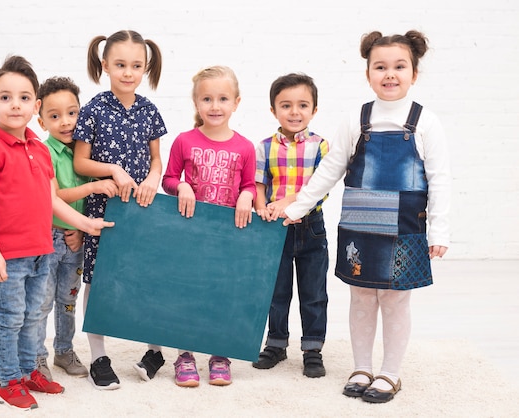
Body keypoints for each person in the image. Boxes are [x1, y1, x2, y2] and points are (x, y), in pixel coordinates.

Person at [274, 30, 451, 403]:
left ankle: (389, 372)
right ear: (368, 73)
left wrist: (440, 229)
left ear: (414, 74)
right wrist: (297, 207)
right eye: (380, 66)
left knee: (395, 300)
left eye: (399, 66)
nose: (390, 74)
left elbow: (439, 179)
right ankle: (362, 366)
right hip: (361, 224)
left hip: (405, 228)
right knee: (361, 297)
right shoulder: (357, 119)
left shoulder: (425, 122)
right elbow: (329, 169)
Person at [0, 56, 114, 410]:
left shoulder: (39, 150)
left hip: (41, 251)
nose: (14, 104)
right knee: (10, 319)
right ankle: (9, 381)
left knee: (35, 315)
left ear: (33, 105)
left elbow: (51, 201)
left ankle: (28, 370)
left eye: (22, 97)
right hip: (10, 255)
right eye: (5, 97)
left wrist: (85, 224)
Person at [72, 30, 168, 390]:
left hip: (144, 210)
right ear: (105, 66)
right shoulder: (93, 109)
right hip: (105, 209)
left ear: (146, 68)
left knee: (149, 279)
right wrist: (113, 169)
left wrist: (152, 178)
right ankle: (99, 356)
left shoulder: (149, 111)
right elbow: (82, 162)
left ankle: (155, 350)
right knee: (97, 282)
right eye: (120, 65)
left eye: (136, 66)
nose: (128, 72)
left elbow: (157, 160)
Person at [162, 65, 257, 387]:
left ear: (236, 102)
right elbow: (169, 178)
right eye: (207, 99)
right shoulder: (184, 141)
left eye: (222, 99)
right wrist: (182, 187)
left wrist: (246, 195)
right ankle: (185, 355)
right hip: (190, 234)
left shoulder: (244, 147)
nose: (215, 106)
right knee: (188, 292)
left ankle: (220, 354)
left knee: (222, 294)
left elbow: (250, 184)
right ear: (195, 103)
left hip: (228, 237)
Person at [35, 76, 119, 381]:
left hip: (77, 237)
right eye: (54, 116)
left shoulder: (84, 152)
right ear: (41, 119)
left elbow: (88, 207)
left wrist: (81, 231)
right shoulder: (44, 153)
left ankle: (64, 350)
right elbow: (54, 196)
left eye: (72, 113)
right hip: (49, 237)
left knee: (68, 299)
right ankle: (37, 357)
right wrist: (95, 185)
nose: (66, 122)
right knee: (42, 301)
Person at [252, 73, 330, 378]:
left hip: (311, 226)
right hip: (276, 228)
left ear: (314, 110)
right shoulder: (264, 147)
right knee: (276, 290)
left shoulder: (321, 146)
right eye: (286, 105)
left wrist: (290, 202)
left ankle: (312, 348)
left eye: (302, 105)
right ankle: (276, 343)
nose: (294, 112)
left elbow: (321, 187)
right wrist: (262, 207)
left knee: (313, 291)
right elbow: (259, 184)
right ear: (273, 110)